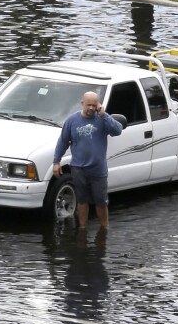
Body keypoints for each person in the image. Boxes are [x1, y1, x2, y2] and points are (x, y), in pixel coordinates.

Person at [52, 91, 124, 228]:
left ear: (98, 105)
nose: (91, 108)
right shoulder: (72, 120)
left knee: (101, 202)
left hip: (98, 170)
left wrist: (104, 115)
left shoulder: (102, 119)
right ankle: (83, 229)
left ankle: (104, 228)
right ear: (82, 104)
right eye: (88, 105)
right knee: (82, 200)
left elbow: (118, 130)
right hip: (78, 169)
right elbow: (62, 142)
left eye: (94, 105)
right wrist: (56, 162)